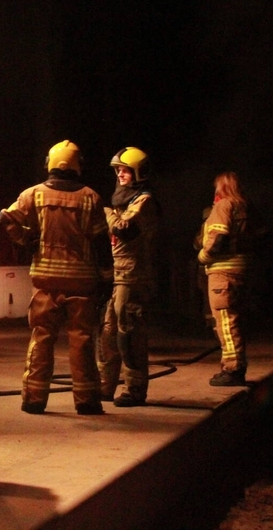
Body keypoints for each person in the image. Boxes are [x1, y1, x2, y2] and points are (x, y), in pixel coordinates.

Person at [0, 141, 111, 415]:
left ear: (50, 162)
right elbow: (100, 242)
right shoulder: (90, 197)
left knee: (42, 338)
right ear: (76, 164)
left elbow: (3, 218)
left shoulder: (33, 195)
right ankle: (87, 401)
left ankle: (34, 400)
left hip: (46, 282)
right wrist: (106, 278)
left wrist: (25, 238)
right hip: (82, 282)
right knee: (82, 339)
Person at [97, 147, 159, 407]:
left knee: (129, 333)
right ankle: (104, 387)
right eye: (118, 170)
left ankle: (134, 389)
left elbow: (124, 229)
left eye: (125, 170)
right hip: (119, 276)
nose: (120, 174)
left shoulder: (144, 201)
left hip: (133, 277)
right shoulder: (126, 200)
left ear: (138, 172)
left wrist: (105, 212)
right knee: (109, 331)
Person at [197, 171, 251, 387]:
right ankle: (233, 365)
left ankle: (233, 369)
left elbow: (219, 238)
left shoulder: (223, 206)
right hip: (240, 269)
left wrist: (203, 256)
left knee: (226, 322)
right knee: (233, 320)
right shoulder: (244, 207)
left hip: (222, 272)